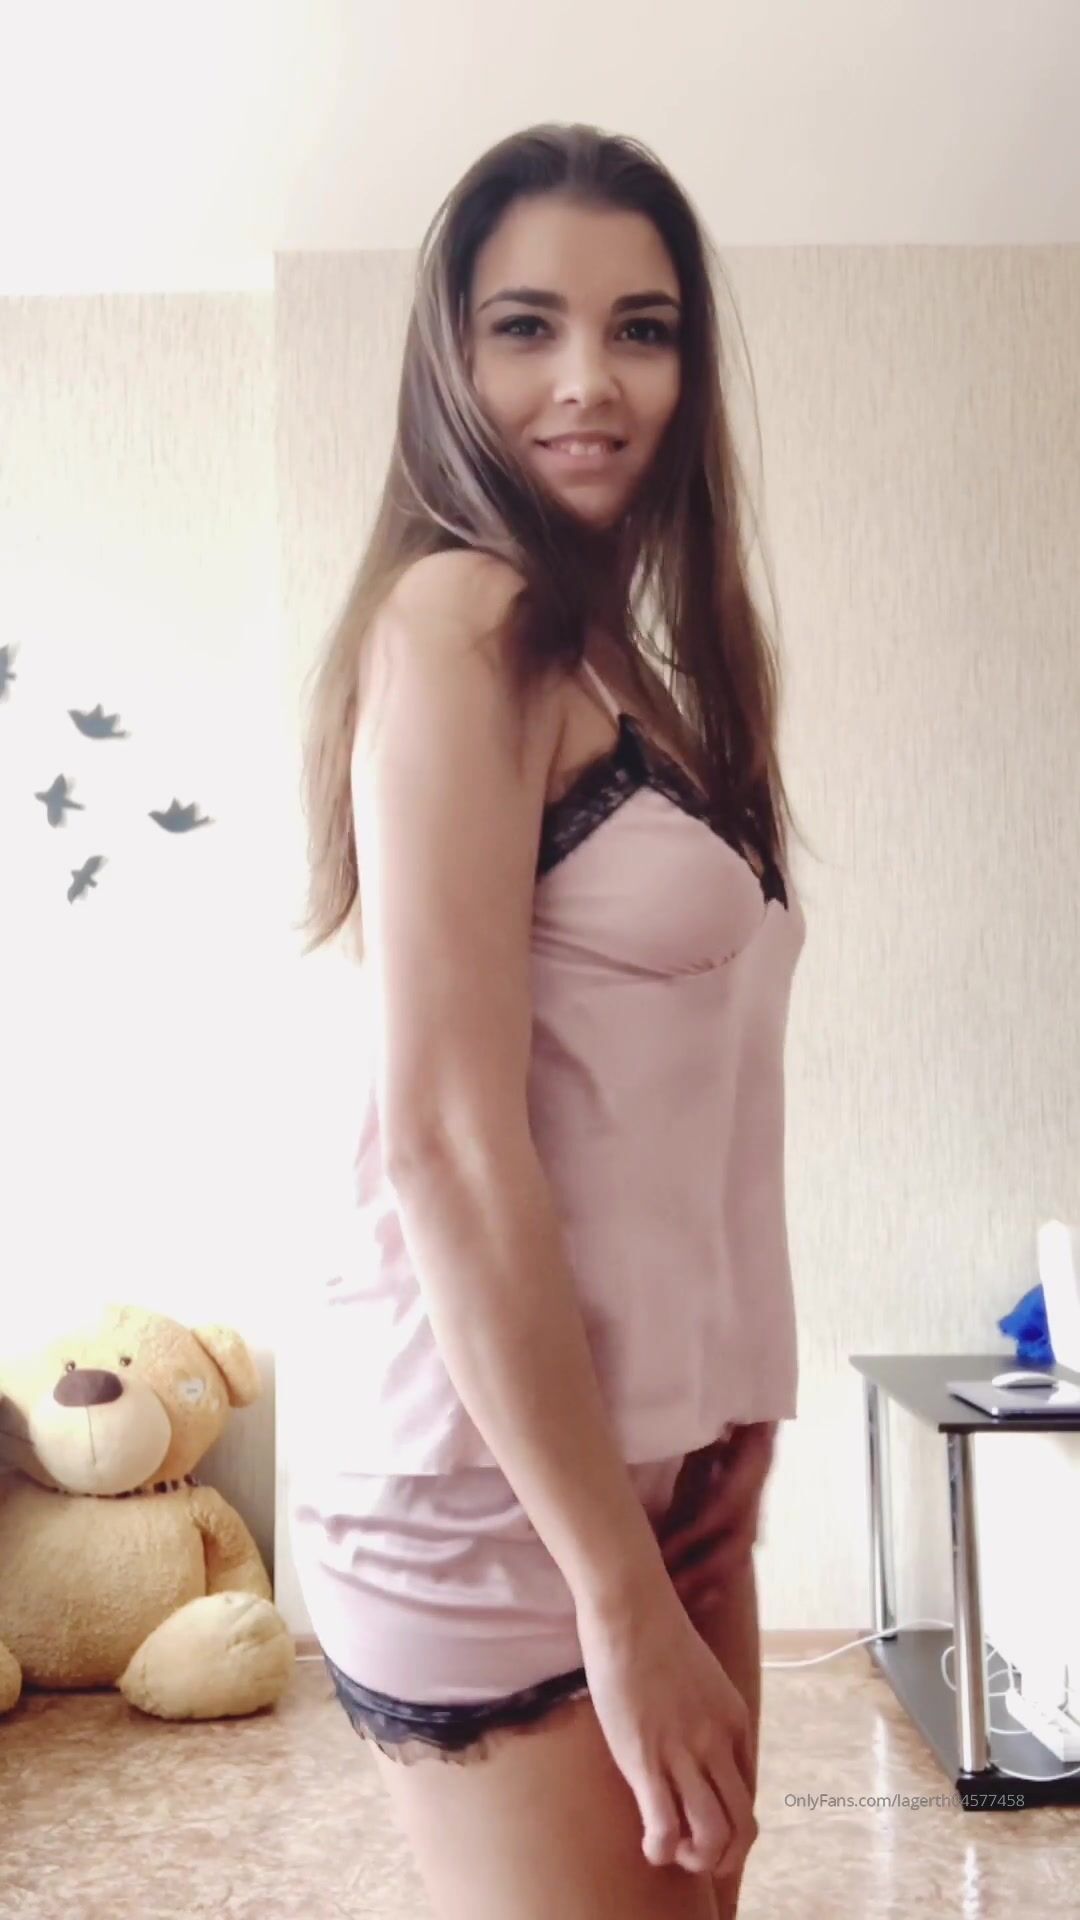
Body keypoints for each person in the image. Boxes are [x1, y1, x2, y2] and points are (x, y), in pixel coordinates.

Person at [290, 121, 811, 1920]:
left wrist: (738, 1405)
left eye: (640, 329)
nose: (589, 380)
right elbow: (446, 1140)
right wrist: (614, 1585)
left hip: (656, 1462)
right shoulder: (459, 621)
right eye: (527, 325)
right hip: (493, 1492)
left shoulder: (632, 665)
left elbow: (685, 1092)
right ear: (452, 359)